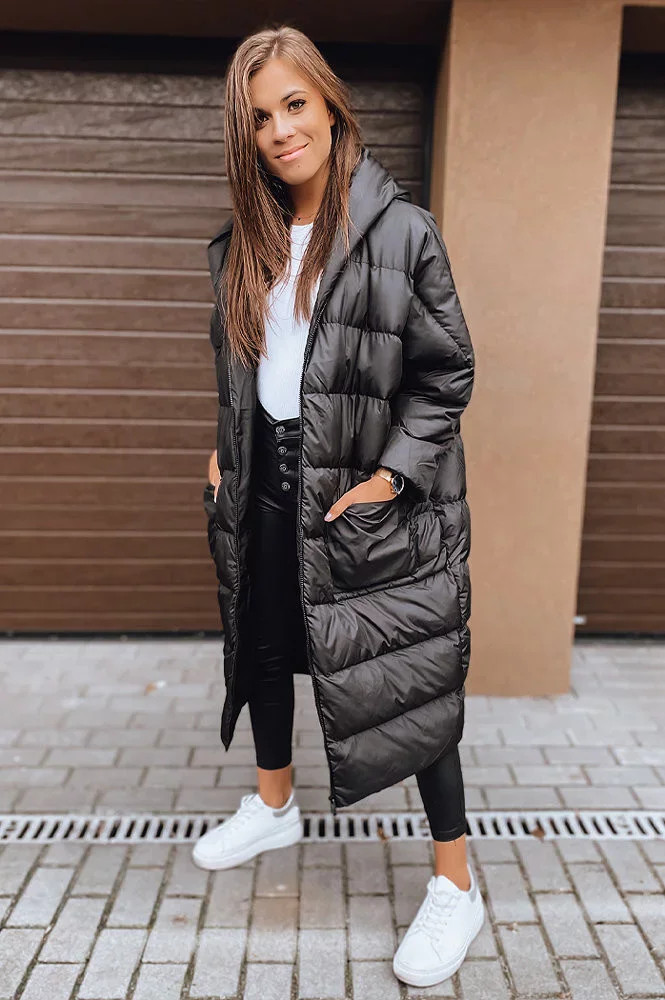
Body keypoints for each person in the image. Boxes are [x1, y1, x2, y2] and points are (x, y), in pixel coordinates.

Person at [193, 24, 483, 988]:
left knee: (408, 682)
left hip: (364, 494)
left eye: (294, 105)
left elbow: (444, 376)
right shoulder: (245, 242)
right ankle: (274, 805)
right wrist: (228, 450)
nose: (281, 130)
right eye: (259, 117)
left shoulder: (400, 232)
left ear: (329, 105)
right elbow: (250, 369)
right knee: (265, 641)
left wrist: (389, 480)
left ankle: (456, 886)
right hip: (267, 478)